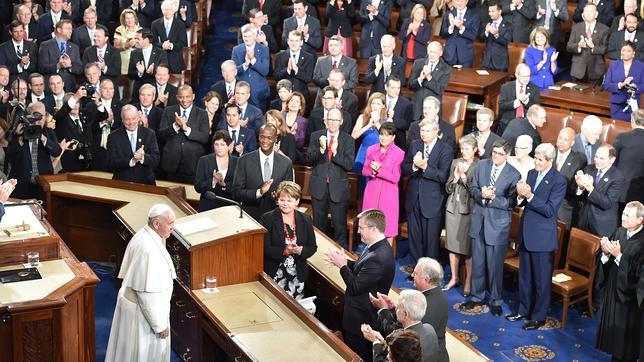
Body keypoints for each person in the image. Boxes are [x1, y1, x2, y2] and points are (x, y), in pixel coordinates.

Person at [105, 204, 176, 362]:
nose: (173, 227)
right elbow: (145, 294)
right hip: (142, 316)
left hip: (136, 309)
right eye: (170, 223)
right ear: (156, 224)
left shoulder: (146, 235)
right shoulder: (147, 249)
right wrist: (159, 325)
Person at [507, 143, 566, 330]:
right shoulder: (532, 173)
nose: (537, 162)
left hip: (542, 238)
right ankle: (523, 310)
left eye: (540, 159)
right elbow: (524, 201)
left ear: (550, 161)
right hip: (526, 233)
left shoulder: (559, 180)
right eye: (536, 158)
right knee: (525, 277)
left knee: (541, 281)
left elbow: (549, 210)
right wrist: (520, 195)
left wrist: (530, 196)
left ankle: (539, 317)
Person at [324, 208, 395, 361]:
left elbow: (355, 287)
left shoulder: (379, 256)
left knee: (358, 356)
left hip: (362, 319)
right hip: (358, 316)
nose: (358, 231)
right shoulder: (377, 247)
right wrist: (343, 262)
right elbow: (361, 268)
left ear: (374, 229)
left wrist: (343, 266)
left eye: (361, 228)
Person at [461, 139, 521, 317]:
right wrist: (482, 195)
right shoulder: (482, 166)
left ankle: (496, 300)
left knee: (495, 266)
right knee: (478, 262)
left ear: (507, 155)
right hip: (479, 220)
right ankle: (477, 296)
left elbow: (511, 202)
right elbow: (472, 189)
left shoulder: (514, 174)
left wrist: (493, 198)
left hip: (498, 225)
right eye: (494, 152)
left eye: (500, 154)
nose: (495, 156)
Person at [370, 257, 449, 362]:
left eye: (415, 274)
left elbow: (398, 337)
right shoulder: (439, 295)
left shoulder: (425, 305)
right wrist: (395, 308)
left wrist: (383, 310)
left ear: (426, 279)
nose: (412, 275)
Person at [595, 201, 643, 360]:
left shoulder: (642, 243)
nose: (623, 218)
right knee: (613, 342)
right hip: (613, 292)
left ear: (640, 220)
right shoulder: (619, 232)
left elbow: (639, 277)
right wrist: (605, 254)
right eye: (623, 213)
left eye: (628, 216)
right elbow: (606, 263)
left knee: (625, 347)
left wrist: (619, 256)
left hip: (629, 302)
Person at [402, 118, 453, 264]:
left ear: (436, 132)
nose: (423, 134)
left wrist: (425, 167)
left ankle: (430, 274)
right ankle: (416, 269)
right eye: (422, 130)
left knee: (431, 241)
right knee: (415, 238)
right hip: (413, 199)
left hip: (432, 202)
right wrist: (413, 166)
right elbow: (404, 167)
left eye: (427, 131)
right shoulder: (415, 144)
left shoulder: (445, 149)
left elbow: (443, 176)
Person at [307, 107, 355, 248]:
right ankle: (318, 253)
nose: (333, 123)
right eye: (330, 120)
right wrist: (321, 150)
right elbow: (309, 159)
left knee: (340, 227)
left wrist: (335, 153)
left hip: (338, 189)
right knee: (318, 225)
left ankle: (340, 256)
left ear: (341, 122)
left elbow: (349, 165)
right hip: (319, 187)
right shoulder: (316, 136)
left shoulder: (348, 140)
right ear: (326, 121)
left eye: (336, 120)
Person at [260, 181, 317, 299]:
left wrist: (301, 250)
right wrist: (285, 251)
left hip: (298, 274)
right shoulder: (268, 218)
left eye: (289, 200)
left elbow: (312, 247)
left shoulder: (306, 219)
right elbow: (265, 248)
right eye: (282, 200)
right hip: (275, 272)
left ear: (297, 201)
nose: (285, 204)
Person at [232, 124, 294, 221]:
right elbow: (236, 193)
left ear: (275, 138)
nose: (265, 141)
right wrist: (259, 192)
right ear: (258, 137)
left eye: (269, 138)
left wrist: (278, 198)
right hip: (250, 217)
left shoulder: (286, 163)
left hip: (276, 217)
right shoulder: (244, 160)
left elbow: (289, 194)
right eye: (262, 137)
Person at [362, 289, 439, 362]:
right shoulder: (429, 328)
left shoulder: (406, 342)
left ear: (405, 314)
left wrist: (375, 342)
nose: (395, 308)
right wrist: (382, 341)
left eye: (398, 307)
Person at [444, 134, 479, 294]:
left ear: (475, 150)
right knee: (452, 245)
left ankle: (469, 281)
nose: (463, 151)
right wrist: (455, 179)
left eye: (467, 149)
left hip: (468, 210)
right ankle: (454, 277)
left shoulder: (480, 166)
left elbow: (475, 191)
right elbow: (447, 188)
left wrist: (464, 179)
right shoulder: (455, 163)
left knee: (467, 248)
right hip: (452, 208)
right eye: (462, 148)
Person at [6, 101, 62, 199]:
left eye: (42, 116)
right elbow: (10, 157)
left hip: (42, 184)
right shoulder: (19, 132)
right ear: (29, 116)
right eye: (36, 115)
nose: (39, 119)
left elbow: (57, 151)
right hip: (22, 185)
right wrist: (19, 139)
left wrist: (42, 138)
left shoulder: (48, 132)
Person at [361, 122, 404, 244]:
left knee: (388, 229)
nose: (383, 137)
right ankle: (369, 256)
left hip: (388, 195)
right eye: (381, 134)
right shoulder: (371, 149)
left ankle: (386, 259)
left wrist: (380, 170)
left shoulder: (399, 153)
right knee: (369, 226)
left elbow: (395, 178)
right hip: (371, 191)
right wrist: (372, 171)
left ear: (393, 137)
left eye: (387, 135)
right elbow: (364, 170)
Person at [158, 85, 209, 183]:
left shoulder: (202, 114)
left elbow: (204, 137)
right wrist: (175, 126)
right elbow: (161, 134)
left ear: (193, 96)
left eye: (187, 97)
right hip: (171, 163)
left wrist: (186, 128)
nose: (184, 100)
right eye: (181, 97)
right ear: (177, 97)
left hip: (192, 165)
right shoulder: (168, 111)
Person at [575, 144, 627, 237]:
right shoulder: (589, 169)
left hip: (601, 226)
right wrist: (580, 187)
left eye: (602, 158)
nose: (597, 161)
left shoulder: (617, 178)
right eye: (596, 157)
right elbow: (581, 198)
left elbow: (607, 203)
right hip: (583, 221)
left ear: (612, 160)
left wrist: (590, 188)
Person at [107, 104, 160, 185]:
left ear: (138, 118)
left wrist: (142, 158)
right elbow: (111, 163)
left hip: (145, 182)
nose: (131, 122)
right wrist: (132, 160)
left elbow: (156, 160)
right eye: (127, 119)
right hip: (122, 183)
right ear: (122, 120)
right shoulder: (113, 136)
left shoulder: (149, 134)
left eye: (133, 118)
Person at [194, 130, 238, 212]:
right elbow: (198, 187)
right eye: (216, 144)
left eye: (222, 144)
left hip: (229, 208)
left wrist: (224, 184)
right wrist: (213, 181)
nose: (219, 148)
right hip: (207, 207)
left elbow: (238, 188)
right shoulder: (204, 160)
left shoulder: (237, 162)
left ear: (229, 146)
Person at [566, 3, 609, 84]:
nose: (588, 13)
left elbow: (605, 49)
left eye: (591, 11)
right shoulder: (576, 27)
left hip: (595, 69)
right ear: (583, 14)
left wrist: (593, 46)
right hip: (578, 69)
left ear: (596, 14)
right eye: (586, 11)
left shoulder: (604, 29)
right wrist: (578, 45)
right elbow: (569, 47)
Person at [554, 127, 588, 232]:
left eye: (565, 139)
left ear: (572, 143)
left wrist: (580, 187)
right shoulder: (549, 153)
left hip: (564, 207)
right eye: (560, 138)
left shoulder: (579, 160)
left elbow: (577, 192)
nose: (561, 142)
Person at [408, 41, 452, 121]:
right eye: (430, 51)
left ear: (440, 53)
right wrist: (420, 79)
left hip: (432, 111)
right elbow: (410, 85)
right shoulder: (418, 63)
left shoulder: (446, 68)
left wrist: (429, 77)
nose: (432, 54)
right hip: (416, 108)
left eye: (435, 52)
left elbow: (439, 89)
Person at [232, 24, 270, 112]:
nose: (247, 39)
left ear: (254, 36)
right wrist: (245, 64)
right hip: (242, 94)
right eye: (245, 36)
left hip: (259, 92)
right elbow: (234, 71)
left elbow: (265, 71)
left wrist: (253, 60)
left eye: (249, 36)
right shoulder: (236, 50)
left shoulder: (264, 49)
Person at [37, 19, 82, 93]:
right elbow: (41, 68)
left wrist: (70, 65)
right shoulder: (45, 45)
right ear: (59, 30)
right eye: (67, 28)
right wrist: (58, 66)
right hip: (51, 89)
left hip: (70, 88)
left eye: (71, 29)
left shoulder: (74, 47)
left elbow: (79, 69)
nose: (70, 31)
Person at [603, 41, 644, 121]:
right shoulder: (614, 65)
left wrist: (635, 87)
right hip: (616, 104)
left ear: (633, 53)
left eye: (628, 51)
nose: (625, 53)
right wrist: (621, 85)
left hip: (633, 105)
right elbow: (606, 85)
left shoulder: (641, 66)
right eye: (623, 50)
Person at [497, 63, 541, 134]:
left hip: (527, 123)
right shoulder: (506, 87)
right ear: (516, 75)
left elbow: (537, 109)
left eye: (528, 76)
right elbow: (502, 105)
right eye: (524, 76)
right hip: (508, 122)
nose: (527, 79)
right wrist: (516, 103)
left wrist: (526, 101)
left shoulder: (534, 89)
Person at [273, 30, 315, 101]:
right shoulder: (280, 56)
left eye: (296, 41)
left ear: (301, 42)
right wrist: (287, 70)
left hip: (301, 96)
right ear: (288, 42)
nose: (294, 43)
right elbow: (276, 76)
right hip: (283, 96)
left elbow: (308, 78)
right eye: (292, 41)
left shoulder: (309, 57)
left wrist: (296, 70)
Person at [128, 28, 168, 101]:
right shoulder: (134, 53)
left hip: (155, 88)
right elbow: (130, 74)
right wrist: (140, 73)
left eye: (137, 39)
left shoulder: (160, 53)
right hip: (139, 88)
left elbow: (165, 70)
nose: (134, 41)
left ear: (146, 40)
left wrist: (153, 71)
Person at [615, 109, 644, 205]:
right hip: (640, 195)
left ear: (632, 121)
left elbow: (613, 161)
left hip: (619, 190)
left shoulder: (622, 137)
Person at [352, 92, 387, 173]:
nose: (375, 106)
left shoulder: (387, 120)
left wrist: (377, 123)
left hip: (379, 155)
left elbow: (387, 137)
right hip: (363, 154)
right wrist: (368, 125)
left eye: (378, 104)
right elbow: (353, 136)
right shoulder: (362, 117)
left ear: (383, 106)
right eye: (373, 103)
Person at [151, 0, 187, 75]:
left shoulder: (180, 25)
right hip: (159, 61)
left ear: (173, 10)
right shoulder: (155, 24)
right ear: (162, 10)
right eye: (165, 9)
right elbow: (152, 42)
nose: (167, 12)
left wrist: (171, 46)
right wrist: (162, 45)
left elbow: (183, 42)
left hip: (175, 61)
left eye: (169, 9)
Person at [440, 0, 480, 67]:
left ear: (466, 1)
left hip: (465, 55)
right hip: (450, 54)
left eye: (462, 1)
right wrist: (451, 27)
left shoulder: (474, 15)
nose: (459, 3)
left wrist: (461, 27)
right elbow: (443, 33)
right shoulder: (449, 14)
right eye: (458, 1)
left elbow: (473, 36)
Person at [480, 1, 513, 72]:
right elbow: (481, 39)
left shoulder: (508, 25)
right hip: (487, 62)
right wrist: (486, 32)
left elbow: (506, 42)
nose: (490, 13)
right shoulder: (488, 23)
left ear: (499, 11)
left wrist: (496, 34)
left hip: (500, 63)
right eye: (489, 11)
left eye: (493, 11)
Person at [383, 77, 413, 150]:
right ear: (386, 87)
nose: (396, 91)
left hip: (397, 141)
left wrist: (393, 120)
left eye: (398, 88)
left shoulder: (407, 104)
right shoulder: (379, 99)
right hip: (378, 138)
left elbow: (407, 125)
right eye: (393, 88)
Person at [113, 9, 142, 75]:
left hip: (137, 61)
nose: (130, 20)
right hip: (123, 60)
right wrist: (127, 45)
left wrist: (137, 45)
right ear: (124, 19)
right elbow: (115, 47)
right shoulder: (119, 30)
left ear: (135, 19)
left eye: (132, 18)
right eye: (127, 18)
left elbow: (144, 46)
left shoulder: (140, 30)